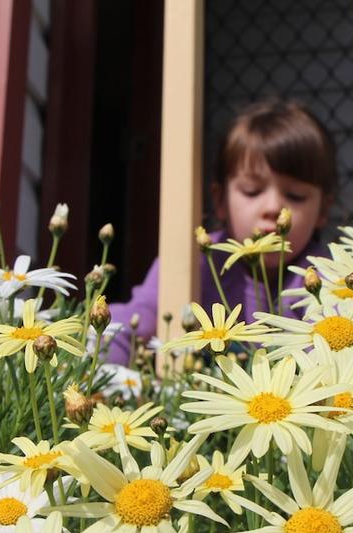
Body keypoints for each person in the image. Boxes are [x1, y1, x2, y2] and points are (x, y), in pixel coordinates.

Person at [107, 99, 338, 364]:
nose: (274, 208)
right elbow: (134, 322)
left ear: (323, 210)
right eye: (252, 191)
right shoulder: (196, 265)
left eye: (296, 196)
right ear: (220, 201)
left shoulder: (327, 277)